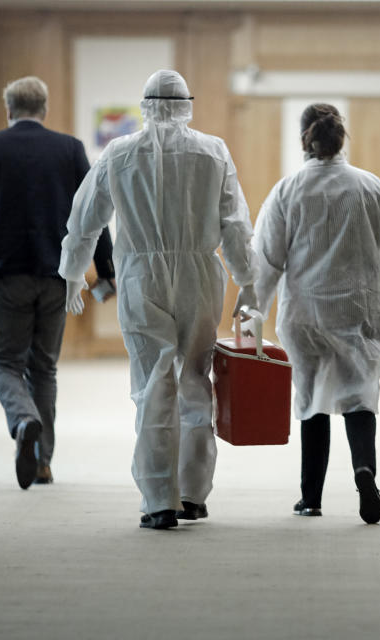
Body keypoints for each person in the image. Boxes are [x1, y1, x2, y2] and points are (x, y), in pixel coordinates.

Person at [59, 70, 257, 530]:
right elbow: (235, 224)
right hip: (199, 277)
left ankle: (158, 499)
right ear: (187, 103)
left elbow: (84, 218)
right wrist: (248, 281)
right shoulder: (213, 151)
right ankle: (192, 492)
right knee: (194, 379)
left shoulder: (120, 152)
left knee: (153, 384)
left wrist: (72, 273)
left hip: (141, 276)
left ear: (144, 105)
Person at [252, 103, 380, 524]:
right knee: (359, 393)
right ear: (341, 138)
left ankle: (310, 498)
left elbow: (265, 263)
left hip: (304, 314)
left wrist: (251, 319)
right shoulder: (368, 187)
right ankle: (364, 470)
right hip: (359, 309)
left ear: (304, 139)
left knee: (311, 399)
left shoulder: (287, 190)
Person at [0, 76, 115, 490]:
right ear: (44, 109)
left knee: (5, 363)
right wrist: (106, 269)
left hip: (6, 274)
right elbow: (92, 210)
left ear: (9, 110)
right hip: (56, 275)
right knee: (44, 368)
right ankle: (43, 464)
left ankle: (23, 420)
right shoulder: (69, 149)